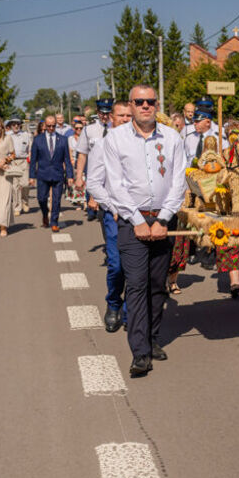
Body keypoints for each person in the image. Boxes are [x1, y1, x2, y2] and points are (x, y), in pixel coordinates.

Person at [102, 85, 186, 377]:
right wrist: (137, 219)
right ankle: (140, 352)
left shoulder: (173, 137)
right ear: (131, 104)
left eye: (150, 101)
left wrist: (163, 219)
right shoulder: (115, 139)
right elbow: (115, 184)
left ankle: (152, 338)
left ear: (156, 104)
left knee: (157, 284)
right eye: (140, 102)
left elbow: (178, 182)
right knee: (136, 285)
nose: (145, 106)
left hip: (164, 220)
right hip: (131, 221)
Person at [84, 100, 134, 332]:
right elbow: (94, 182)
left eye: (128, 115)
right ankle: (114, 304)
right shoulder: (103, 145)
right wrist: (112, 208)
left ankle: (131, 310)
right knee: (116, 265)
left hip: (139, 214)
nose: (125, 119)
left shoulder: (139, 143)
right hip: (113, 214)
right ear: (111, 118)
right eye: (121, 115)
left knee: (136, 266)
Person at [29, 115, 74, 231]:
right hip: (43, 174)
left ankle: (54, 221)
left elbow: (67, 159)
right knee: (41, 198)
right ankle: (45, 214)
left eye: (53, 126)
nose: (50, 128)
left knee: (56, 199)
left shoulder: (63, 139)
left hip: (58, 174)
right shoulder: (38, 139)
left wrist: (69, 176)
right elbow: (33, 160)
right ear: (45, 126)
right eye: (48, 126)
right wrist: (31, 176)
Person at [5, 116, 32, 215]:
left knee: (25, 184)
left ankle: (25, 202)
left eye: (17, 124)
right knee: (15, 186)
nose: (16, 126)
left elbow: (30, 148)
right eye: (13, 124)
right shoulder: (7, 135)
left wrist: (30, 157)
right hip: (12, 162)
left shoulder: (26, 135)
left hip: (24, 161)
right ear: (11, 125)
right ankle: (17, 207)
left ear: (20, 125)